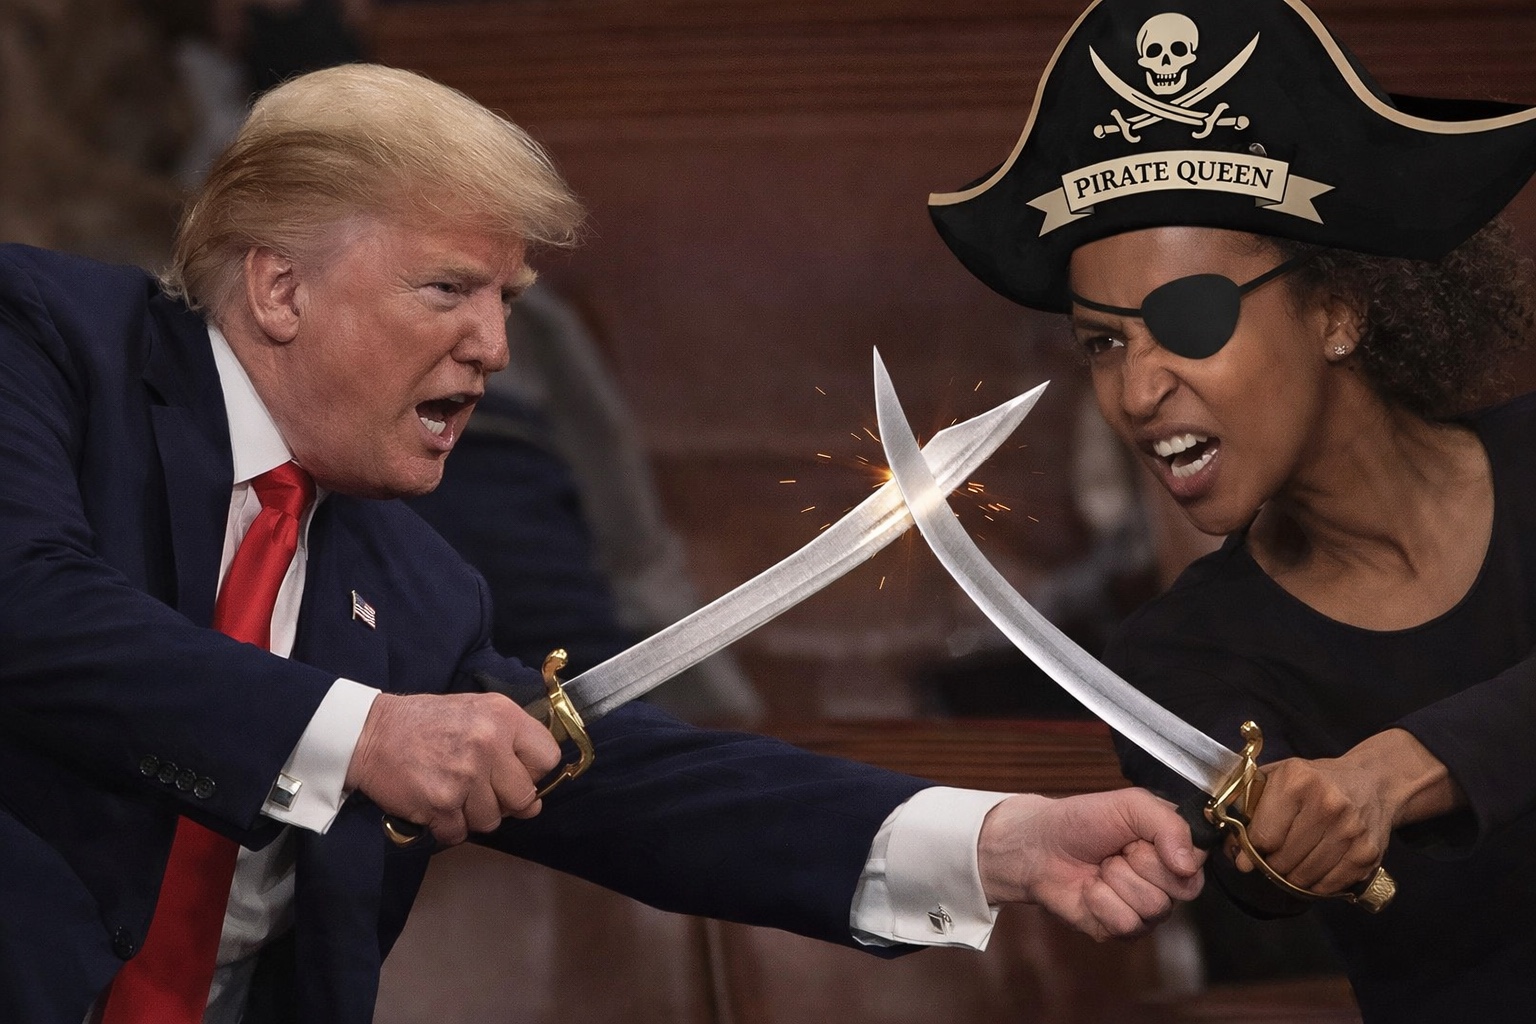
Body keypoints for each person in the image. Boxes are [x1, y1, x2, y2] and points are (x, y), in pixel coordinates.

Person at [0, 63, 1206, 1024]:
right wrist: (363, 735)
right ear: (279, 290)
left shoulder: (418, 591)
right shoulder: (46, 344)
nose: (495, 349)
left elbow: (646, 792)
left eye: (509, 302)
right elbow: (28, 605)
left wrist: (1000, 842)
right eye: (448, 290)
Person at [924, 1, 1536, 1020]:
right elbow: (1260, 862)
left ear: (1338, 309)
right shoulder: (1179, 661)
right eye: (1103, 343)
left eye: (1189, 318)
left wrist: (1397, 770)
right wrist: (1289, 831)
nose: (1136, 391)